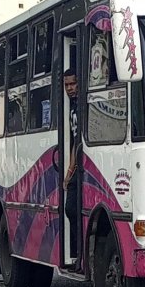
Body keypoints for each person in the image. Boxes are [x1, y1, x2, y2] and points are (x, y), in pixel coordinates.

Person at [63, 68, 79, 258]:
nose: (70, 88)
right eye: (67, 85)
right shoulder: (71, 106)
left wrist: (69, 171)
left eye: (73, 84)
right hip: (75, 163)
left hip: (81, 165)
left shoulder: (81, 104)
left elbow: (77, 142)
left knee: (72, 208)